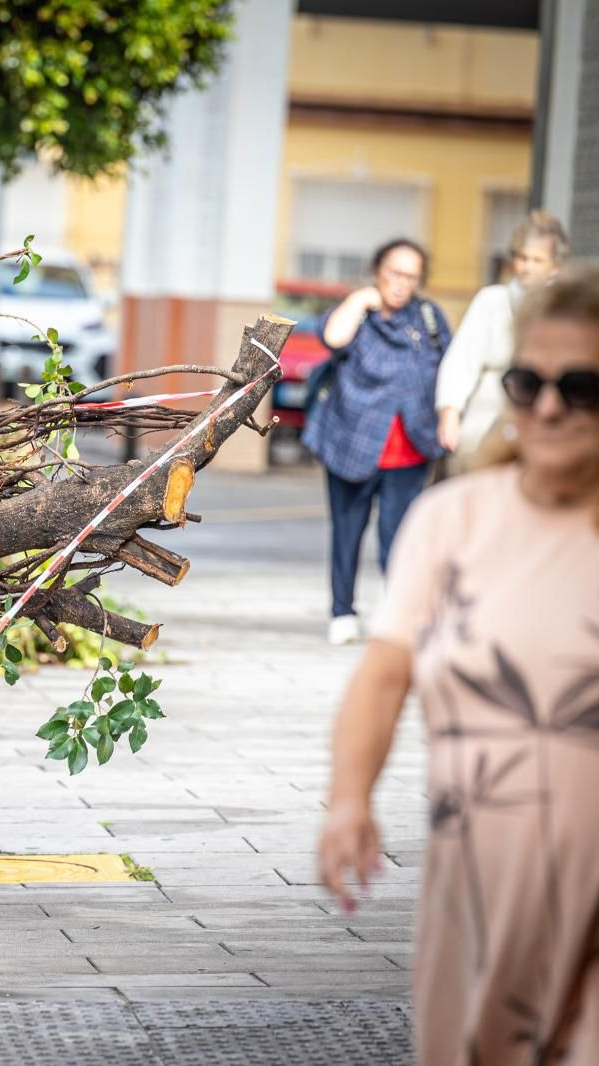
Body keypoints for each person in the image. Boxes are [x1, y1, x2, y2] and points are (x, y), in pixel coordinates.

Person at [317, 270, 599, 1065]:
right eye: (528, 383)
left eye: (579, 387)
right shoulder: (455, 518)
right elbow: (384, 674)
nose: (547, 407)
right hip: (473, 895)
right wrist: (348, 801)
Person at [304, 239, 452, 645]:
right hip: (350, 441)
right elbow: (333, 338)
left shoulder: (427, 316)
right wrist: (361, 300)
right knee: (347, 532)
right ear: (377, 270)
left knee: (400, 538)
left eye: (412, 276)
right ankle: (342, 612)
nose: (402, 284)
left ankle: (399, 613)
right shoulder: (357, 313)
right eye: (394, 273)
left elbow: (449, 366)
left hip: (411, 446)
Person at [436, 210, 569, 467]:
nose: (527, 267)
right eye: (522, 258)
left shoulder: (564, 306)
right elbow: (461, 361)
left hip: (540, 418)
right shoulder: (491, 300)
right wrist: (449, 414)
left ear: (556, 264)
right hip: (484, 420)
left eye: (537, 260)